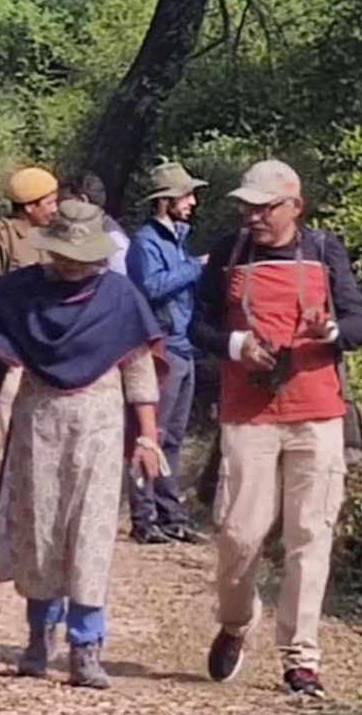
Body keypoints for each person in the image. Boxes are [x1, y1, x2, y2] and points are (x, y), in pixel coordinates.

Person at [0, 200, 168, 689]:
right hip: (38, 419)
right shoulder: (21, 292)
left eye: (81, 256)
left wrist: (146, 433)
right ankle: (40, 635)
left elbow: (139, 368)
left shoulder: (120, 298)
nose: (71, 264)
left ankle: (86, 646)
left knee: (92, 535)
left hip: (98, 424)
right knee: (39, 530)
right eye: (63, 255)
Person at [188, 159, 362, 699]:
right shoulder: (228, 252)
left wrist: (330, 329)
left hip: (318, 412)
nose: (253, 217)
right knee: (236, 534)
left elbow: (359, 325)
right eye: (247, 207)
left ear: (295, 205)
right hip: (247, 413)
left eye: (264, 207)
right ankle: (236, 620)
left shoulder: (324, 250)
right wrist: (237, 346)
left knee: (311, 536)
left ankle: (301, 659)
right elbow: (198, 325)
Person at [125, 160, 210, 545]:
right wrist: (196, 267)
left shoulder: (177, 238)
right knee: (150, 434)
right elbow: (152, 287)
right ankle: (144, 518)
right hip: (160, 347)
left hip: (183, 344)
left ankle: (170, 513)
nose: (192, 202)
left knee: (172, 436)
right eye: (186, 195)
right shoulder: (146, 242)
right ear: (167, 200)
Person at [0, 165, 61, 474]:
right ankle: (5, 501)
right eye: (49, 202)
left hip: (45, 351)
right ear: (29, 206)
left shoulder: (54, 237)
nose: (55, 208)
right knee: (13, 432)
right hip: (11, 350)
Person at [58, 170, 130, 275]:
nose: (58, 209)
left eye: (63, 202)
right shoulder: (79, 232)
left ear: (83, 200)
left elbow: (117, 285)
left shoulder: (114, 239)